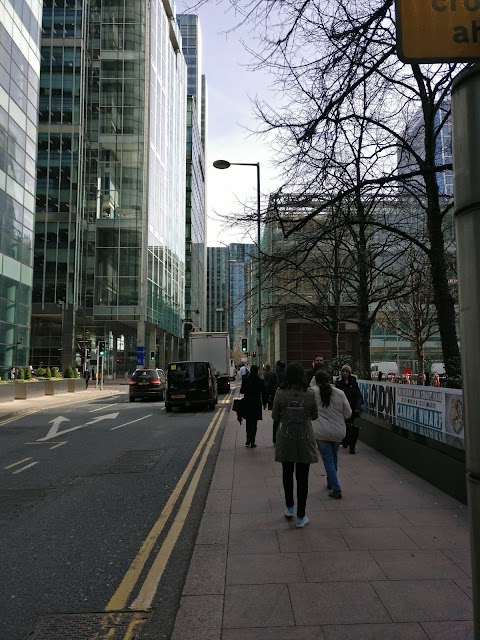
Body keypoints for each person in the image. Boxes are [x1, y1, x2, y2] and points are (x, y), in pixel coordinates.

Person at [273, 362, 319, 528]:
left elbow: (275, 416)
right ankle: (301, 517)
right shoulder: (310, 394)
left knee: (287, 473)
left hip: (286, 437)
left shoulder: (280, 393)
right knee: (303, 477)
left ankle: (290, 507)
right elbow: (314, 416)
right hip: (305, 438)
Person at [311, 369, 352, 499]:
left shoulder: (313, 393)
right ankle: (330, 482)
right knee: (333, 458)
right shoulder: (340, 393)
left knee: (328, 460)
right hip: (338, 431)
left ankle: (336, 488)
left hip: (321, 432)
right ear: (330, 379)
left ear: (316, 381)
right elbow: (348, 413)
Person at [336, 364, 363, 454]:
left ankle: (352, 446)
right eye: (343, 371)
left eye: (346, 371)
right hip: (341, 409)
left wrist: (358, 407)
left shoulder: (354, 384)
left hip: (352, 409)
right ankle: (345, 441)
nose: (345, 373)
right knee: (345, 426)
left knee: (351, 427)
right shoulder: (339, 383)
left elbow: (358, 396)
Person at [240, 364, 268, 448]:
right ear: (257, 371)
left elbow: (241, 391)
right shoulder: (260, 381)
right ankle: (252, 441)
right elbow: (263, 393)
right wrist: (264, 403)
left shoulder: (246, 380)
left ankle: (248, 439)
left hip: (248, 403)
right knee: (254, 423)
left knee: (248, 422)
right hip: (256, 403)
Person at [271, 360, 286, 444]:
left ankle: (275, 439)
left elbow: (270, 387)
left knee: (276, 420)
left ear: (278, 366)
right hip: (286, 398)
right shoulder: (288, 375)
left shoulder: (274, 374)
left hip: (276, 398)